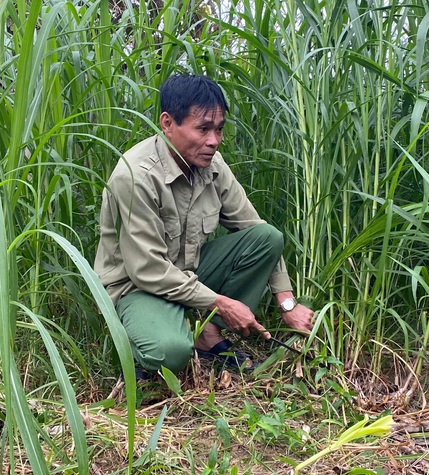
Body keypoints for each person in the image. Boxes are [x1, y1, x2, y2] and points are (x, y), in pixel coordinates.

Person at [94, 74, 313, 374]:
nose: (214, 141)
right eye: (203, 129)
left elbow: (254, 228)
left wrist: (287, 303)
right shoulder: (136, 177)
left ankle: (207, 337)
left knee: (266, 239)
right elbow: (148, 270)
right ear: (168, 123)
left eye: (219, 129)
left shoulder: (212, 165)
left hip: (188, 273)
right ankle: (146, 341)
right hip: (137, 287)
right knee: (169, 352)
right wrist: (220, 303)